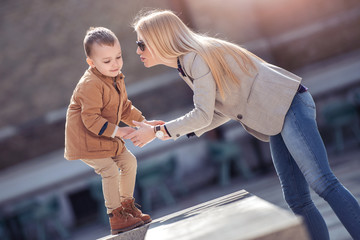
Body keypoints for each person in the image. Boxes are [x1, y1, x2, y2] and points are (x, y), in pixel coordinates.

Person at [124, 10, 360, 239]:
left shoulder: (194, 58)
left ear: (159, 39)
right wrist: (167, 131)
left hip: (288, 105)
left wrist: (158, 131)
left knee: (323, 182)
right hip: (274, 116)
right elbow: (218, 113)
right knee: (297, 199)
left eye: (141, 44)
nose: (138, 51)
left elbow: (203, 114)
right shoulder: (186, 64)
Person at [64, 27, 159, 235]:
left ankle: (126, 208)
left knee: (129, 162)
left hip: (106, 136)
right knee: (109, 170)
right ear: (92, 63)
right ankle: (116, 217)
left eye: (118, 57)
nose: (115, 64)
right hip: (86, 139)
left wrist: (143, 123)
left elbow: (124, 107)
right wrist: (120, 132)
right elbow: (90, 119)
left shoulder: (116, 78)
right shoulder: (90, 84)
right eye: (107, 61)